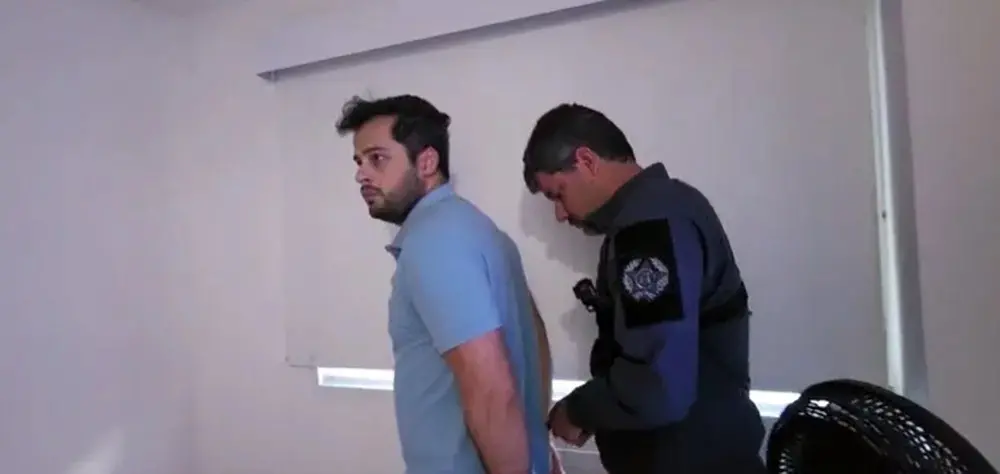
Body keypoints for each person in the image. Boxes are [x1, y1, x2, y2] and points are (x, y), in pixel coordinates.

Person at [521, 103, 767, 474]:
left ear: (586, 161)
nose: (560, 214)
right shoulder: (667, 207)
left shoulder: (648, 229)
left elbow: (658, 385)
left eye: (558, 194)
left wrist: (579, 409)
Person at [337, 94, 560, 474]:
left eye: (377, 158)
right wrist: (539, 447)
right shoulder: (481, 230)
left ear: (426, 162)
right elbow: (534, 341)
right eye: (359, 162)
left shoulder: (434, 243)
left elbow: (491, 391)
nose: (362, 175)